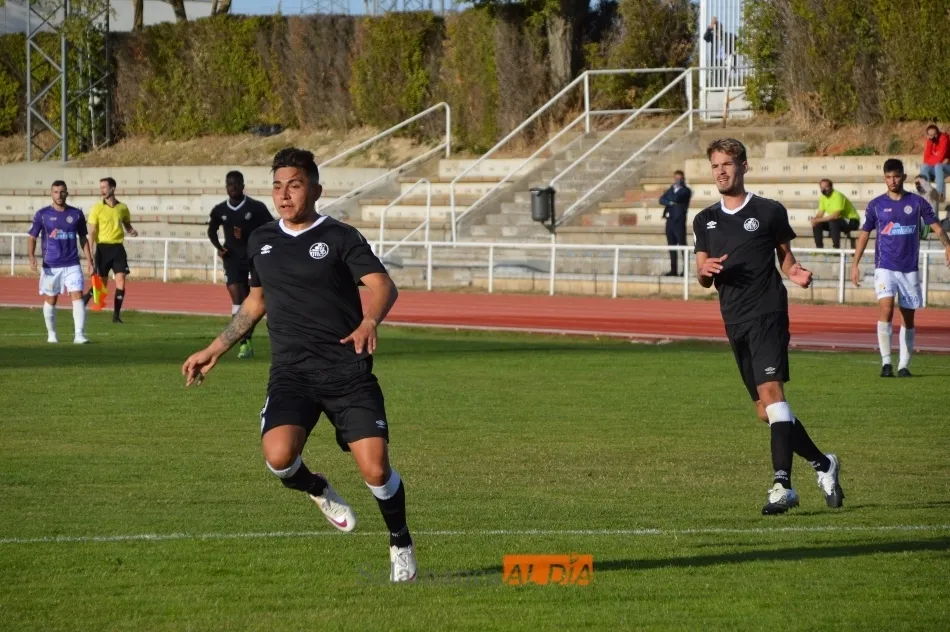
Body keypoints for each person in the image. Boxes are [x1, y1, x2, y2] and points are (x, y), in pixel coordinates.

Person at [182, 148, 416, 582]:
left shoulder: (341, 236)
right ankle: (317, 487)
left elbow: (383, 285)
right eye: (277, 185)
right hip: (292, 374)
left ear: (315, 189)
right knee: (278, 458)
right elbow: (256, 302)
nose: (284, 194)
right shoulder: (261, 240)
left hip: (347, 372)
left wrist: (369, 320)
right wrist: (215, 348)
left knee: (376, 469)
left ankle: (400, 540)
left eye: (294, 184)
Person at [693, 138, 843, 516]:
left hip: (768, 313)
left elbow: (786, 260)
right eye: (715, 165)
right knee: (767, 410)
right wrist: (705, 271)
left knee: (773, 391)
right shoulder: (704, 219)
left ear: (744, 166)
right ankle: (824, 464)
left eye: (728, 164)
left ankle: (782, 484)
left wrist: (796, 273)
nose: (721, 171)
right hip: (734, 320)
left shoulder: (769, 211)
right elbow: (702, 273)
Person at [850, 158, 950, 378]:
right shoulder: (876, 204)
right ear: (884, 178)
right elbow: (865, 234)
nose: (892, 180)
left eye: (896, 176)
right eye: (888, 177)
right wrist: (855, 263)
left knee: (908, 317)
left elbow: (936, 226)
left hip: (909, 268)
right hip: (885, 265)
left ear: (903, 177)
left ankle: (904, 365)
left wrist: (947, 245)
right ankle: (886, 363)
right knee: (886, 308)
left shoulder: (916, 203)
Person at [207, 171, 275, 359]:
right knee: (237, 300)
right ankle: (244, 343)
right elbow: (211, 230)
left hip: (253, 258)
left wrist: (247, 235)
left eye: (237, 184)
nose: (233, 187)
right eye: (230, 184)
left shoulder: (256, 207)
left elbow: (271, 228)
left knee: (251, 301)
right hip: (233, 261)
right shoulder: (220, 210)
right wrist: (219, 248)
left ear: (243, 185)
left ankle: (247, 340)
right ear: (226, 187)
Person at [27, 181, 93, 344]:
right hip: (51, 265)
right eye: (55, 192)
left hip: (72, 263)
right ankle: (52, 334)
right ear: (51, 193)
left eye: (62, 192)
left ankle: (79, 335)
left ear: (67, 193)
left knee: (77, 296)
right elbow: (32, 237)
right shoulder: (42, 214)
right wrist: (31, 257)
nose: (59, 195)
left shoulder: (76, 214)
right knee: (51, 299)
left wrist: (90, 261)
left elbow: (84, 239)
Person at [83, 177, 138, 323]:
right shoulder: (97, 208)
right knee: (102, 284)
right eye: (100, 187)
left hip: (118, 248)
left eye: (104, 187)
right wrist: (91, 254)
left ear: (112, 188)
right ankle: (83, 301)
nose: (102, 190)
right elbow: (92, 232)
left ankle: (116, 316)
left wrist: (131, 230)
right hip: (102, 248)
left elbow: (126, 223)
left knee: (121, 279)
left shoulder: (123, 208)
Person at [659, 170, 692, 276]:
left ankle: (685, 270)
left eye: (679, 178)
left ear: (683, 179)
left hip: (679, 221)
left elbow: (677, 198)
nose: (677, 180)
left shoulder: (686, 191)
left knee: (682, 246)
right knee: (671, 246)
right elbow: (661, 199)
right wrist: (670, 202)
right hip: (670, 221)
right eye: (676, 178)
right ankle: (673, 270)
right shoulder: (671, 189)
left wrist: (670, 200)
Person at [811, 179, 860, 249]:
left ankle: (836, 248)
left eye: (826, 187)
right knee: (817, 223)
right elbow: (820, 213)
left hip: (851, 221)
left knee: (833, 221)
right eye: (822, 188)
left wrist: (818, 220)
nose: (824, 189)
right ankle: (819, 248)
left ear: (831, 187)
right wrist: (815, 220)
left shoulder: (838, 196)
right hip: (837, 221)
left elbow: (836, 215)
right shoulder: (823, 198)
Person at [919, 124, 949, 201]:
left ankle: (939, 194)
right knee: (924, 166)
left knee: (938, 166)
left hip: (947, 167)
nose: (933, 137)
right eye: (930, 135)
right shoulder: (929, 141)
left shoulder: (944, 139)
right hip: (938, 168)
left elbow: (940, 158)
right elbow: (926, 159)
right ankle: (927, 192)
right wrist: (936, 159)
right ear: (928, 136)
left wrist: (934, 159)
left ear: (938, 133)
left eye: (935, 135)